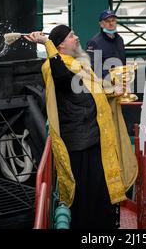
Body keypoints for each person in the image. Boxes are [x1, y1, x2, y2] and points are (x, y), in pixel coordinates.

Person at [24, 25, 136, 229]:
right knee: (85, 197)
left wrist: (113, 89)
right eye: (71, 36)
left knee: (99, 193)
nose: (76, 38)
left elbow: (89, 89)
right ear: (61, 46)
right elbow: (63, 79)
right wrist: (46, 44)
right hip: (78, 143)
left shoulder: (77, 64)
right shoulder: (53, 66)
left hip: (93, 138)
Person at [86, 9, 126, 81]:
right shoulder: (95, 43)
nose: (111, 23)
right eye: (107, 21)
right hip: (105, 84)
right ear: (101, 24)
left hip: (121, 82)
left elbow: (123, 61)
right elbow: (95, 69)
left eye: (113, 20)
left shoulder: (120, 39)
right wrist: (111, 79)